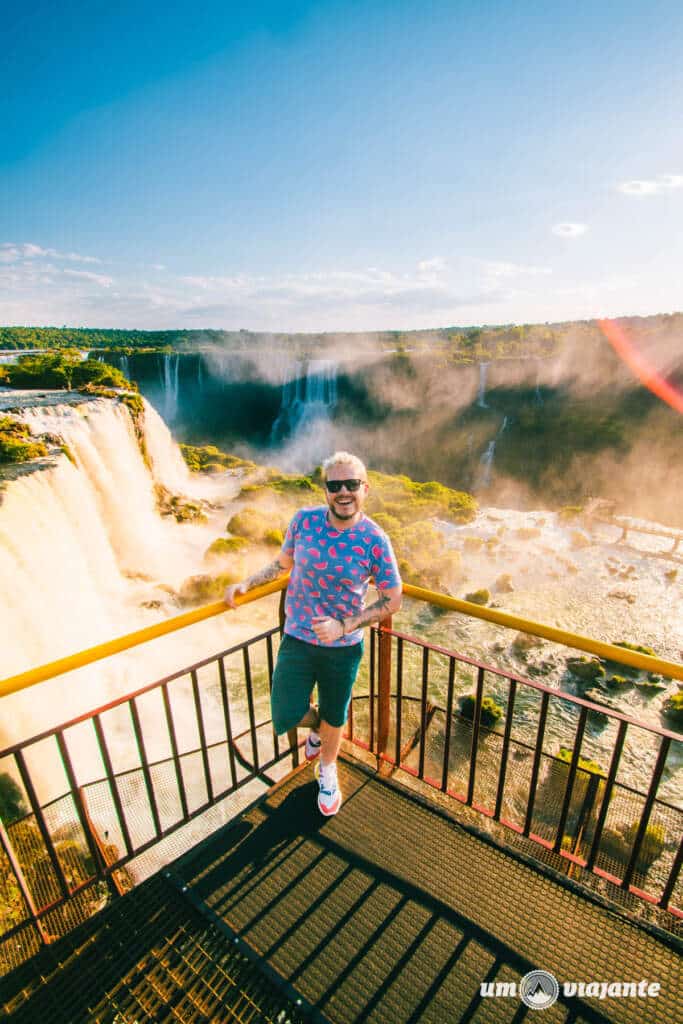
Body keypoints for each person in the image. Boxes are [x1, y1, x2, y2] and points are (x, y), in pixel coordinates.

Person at [224, 451, 402, 816]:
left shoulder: (375, 540)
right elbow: (282, 564)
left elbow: (393, 599)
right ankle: (321, 726)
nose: (343, 492)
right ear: (325, 490)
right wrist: (247, 583)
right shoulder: (304, 521)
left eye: (351, 484)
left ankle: (328, 769)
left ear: (365, 488)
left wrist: (344, 626)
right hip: (297, 638)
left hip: (343, 647)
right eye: (335, 485)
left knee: (336, 714)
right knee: (285, 710)